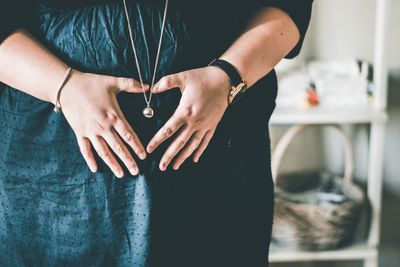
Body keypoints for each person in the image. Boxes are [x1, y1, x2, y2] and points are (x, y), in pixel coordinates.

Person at [0, 0, 312, 266]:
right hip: (55, 165)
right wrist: (64, 86)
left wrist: (227, 76)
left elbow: (288, 7)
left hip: (217, 154)